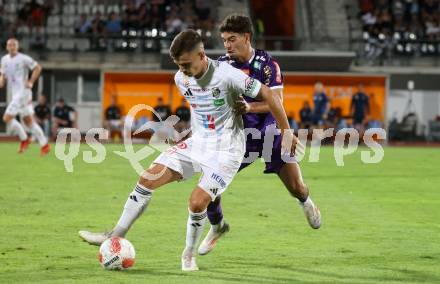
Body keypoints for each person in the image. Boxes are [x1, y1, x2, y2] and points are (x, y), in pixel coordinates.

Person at [78, 29, 300, 271]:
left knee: (196, 203)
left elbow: (269, 94)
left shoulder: (228, 75)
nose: (182, 70)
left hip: (227, 151)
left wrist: (286, 131)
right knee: (146, 178)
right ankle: (114, 236)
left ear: (202, 55)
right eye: (179, 65)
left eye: (186, 64)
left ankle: (188, 254)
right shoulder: (180, 79)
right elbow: (202, 110)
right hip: (197, 144)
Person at [197, 14, 321, 256]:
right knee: (208, 185)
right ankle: (217, 226)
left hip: (269, 132)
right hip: (237, 138)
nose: (227, 45)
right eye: (224, 41)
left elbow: (277, 102)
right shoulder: (221, 67)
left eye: (232, 39)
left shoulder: (267, 65)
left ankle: (306, 202)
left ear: (247, 37)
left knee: (296, 187)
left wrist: (251, 108)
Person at [0, 38, 50, 155]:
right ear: (7, 47)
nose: (11, 47)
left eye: (14, 45)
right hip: (15, 93)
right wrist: (1, 81)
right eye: (9, 45)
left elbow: (38, 67)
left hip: (23, 93)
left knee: (6, 118)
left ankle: (24, 139)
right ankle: (45, 145)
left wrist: (31, 81)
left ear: (17, 47)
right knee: (28, 121)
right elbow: (3, 74)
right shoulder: (4, 59)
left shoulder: (23, 58)